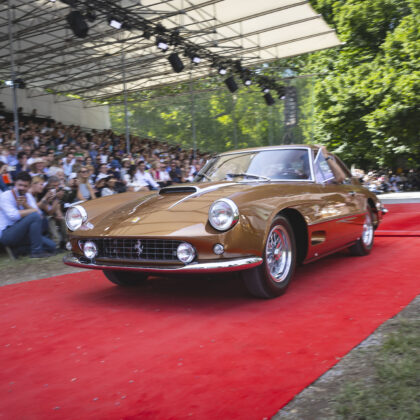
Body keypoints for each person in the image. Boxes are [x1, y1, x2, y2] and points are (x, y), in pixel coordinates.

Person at [0, 171, 56, 258]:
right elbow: (13, 215)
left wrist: (25, 205)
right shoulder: (5, 196)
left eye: (25, 186)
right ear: (15, 183)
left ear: (29, 186)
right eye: (20, 185)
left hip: (23, 233)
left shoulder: (28, 196)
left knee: (52, 246)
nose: (22, 188)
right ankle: (36, 252)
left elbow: (40, 216)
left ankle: (19, 250)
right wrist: (32, 210)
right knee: (34, 216)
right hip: (7, 234)